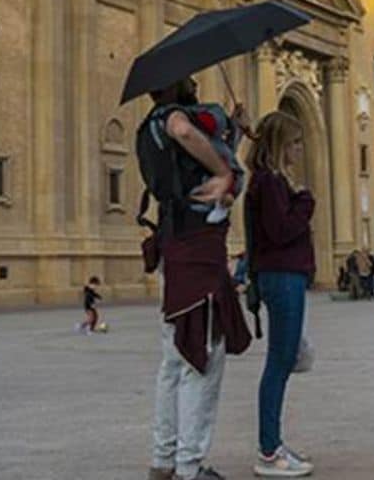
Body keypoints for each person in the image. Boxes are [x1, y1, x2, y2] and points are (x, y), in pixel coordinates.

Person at [146, 77, 251, 480]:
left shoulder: (148, 132)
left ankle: (164, 459)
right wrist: (226, 172)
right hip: (197, 256)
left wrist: (235, 133)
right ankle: (190, 467)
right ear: (172, 87)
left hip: (175, 249)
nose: (194, 82)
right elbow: (183, 130)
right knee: (203, 359)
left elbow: (187, 165)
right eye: (188, 78)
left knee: (173, 361)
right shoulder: (172, 118)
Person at [246, 111, 315, 478]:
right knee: (278, 363)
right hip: (283, 277)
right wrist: (305, 201)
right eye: (295, 143)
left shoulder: (268, 182)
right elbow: (280, 230)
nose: (300, 150)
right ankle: (269, 451)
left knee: (281, 361)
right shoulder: (271, 183)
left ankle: (273, 444)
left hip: (283, 276)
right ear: (280, 145)